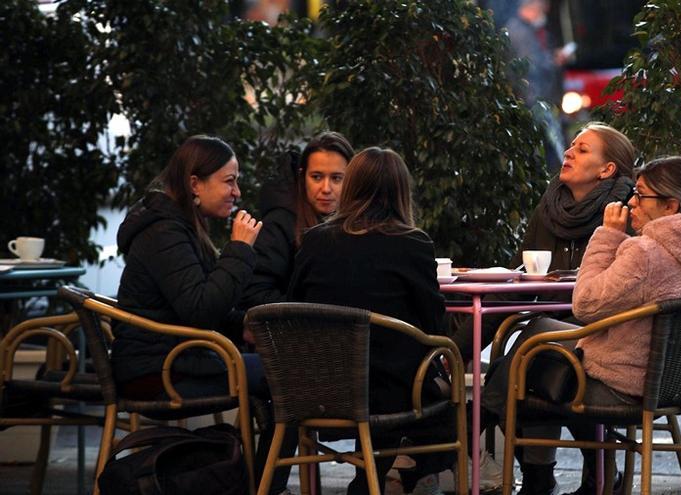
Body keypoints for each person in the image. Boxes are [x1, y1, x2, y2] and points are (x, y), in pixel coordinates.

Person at [484, 156, 681, 495]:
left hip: (621, 385)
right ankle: (567, 472)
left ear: (670, 205)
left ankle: (477, 432)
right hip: (673, 384)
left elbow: (585, 303)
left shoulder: (646, 252)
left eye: (641, 195)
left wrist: (608, 236)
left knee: (527, 357)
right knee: (535, 345)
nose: (631, 202)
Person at [111, 135, 291, 495]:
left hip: (177, 357)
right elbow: (199, 309)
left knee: (285, 369)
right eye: (229, 181)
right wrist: (238, 250)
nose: (237, 192)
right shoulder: (164, 232)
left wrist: (244, 326)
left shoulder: (179, 226)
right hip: (159, 368)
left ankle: (259, 483)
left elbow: (201, 307)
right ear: (195, 183)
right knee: (289, 376)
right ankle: (263, 487)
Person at [287, 147, 452, 495]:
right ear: (400, 191)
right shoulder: (412, 243)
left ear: (351, 186)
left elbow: (294, 309)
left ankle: (375, 477)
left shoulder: (314, 241)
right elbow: (434, 326)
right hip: (390, 393)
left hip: (317, 388)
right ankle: (405, 472)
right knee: (450, 398)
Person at [450, 122, 636, 362]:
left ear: (606, 169)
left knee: (530, 347)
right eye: (570, 147)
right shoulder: (549, 210)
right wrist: (456, 354)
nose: (568, 153)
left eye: (582, 150)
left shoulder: (625, 214)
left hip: (603, 333)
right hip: (547, 335)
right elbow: (516, 283)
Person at [239, 131, 354, 309]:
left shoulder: (357, 223)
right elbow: (254, 294)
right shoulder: (280, 224)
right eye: (316, 177)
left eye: (336, 178)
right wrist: (309, 308)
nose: (326, 188)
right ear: (302, 177)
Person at [506, 0, 571, 171]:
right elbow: (530, 65)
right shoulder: (520, 32)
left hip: (538, 98)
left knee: (550, 146)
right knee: (553, 147)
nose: (545, 13)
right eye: (543, 8)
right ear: (534, 7)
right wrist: (554, 60)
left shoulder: (527, 29)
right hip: (534, 99)